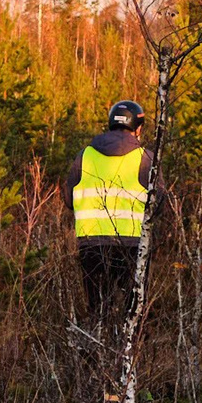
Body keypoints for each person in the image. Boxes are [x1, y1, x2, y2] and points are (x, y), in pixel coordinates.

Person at [62, 100, 153, 337]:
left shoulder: (85, 155)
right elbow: (159, 202)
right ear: (138, 127)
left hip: (91, 245)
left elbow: (68, 199)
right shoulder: (145, 158)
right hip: (131, 247)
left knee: (97, 311)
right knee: (131, 314)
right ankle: (127, 362)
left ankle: (95, 360)